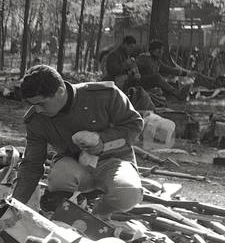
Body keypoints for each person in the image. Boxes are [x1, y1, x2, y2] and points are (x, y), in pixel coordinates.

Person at [11, 64, 144, 218]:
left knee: (128, 194)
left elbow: (134, 125)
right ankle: (70, 212)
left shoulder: (103, 95)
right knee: (59, 177)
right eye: (33, 104)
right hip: (74, 165)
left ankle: (99, 216)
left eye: (41, 103)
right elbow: (31, 165)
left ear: (60, 92)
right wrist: (15, 204)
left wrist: (103, 142)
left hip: (114, 161)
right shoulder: (36, 119)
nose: (38, 109)